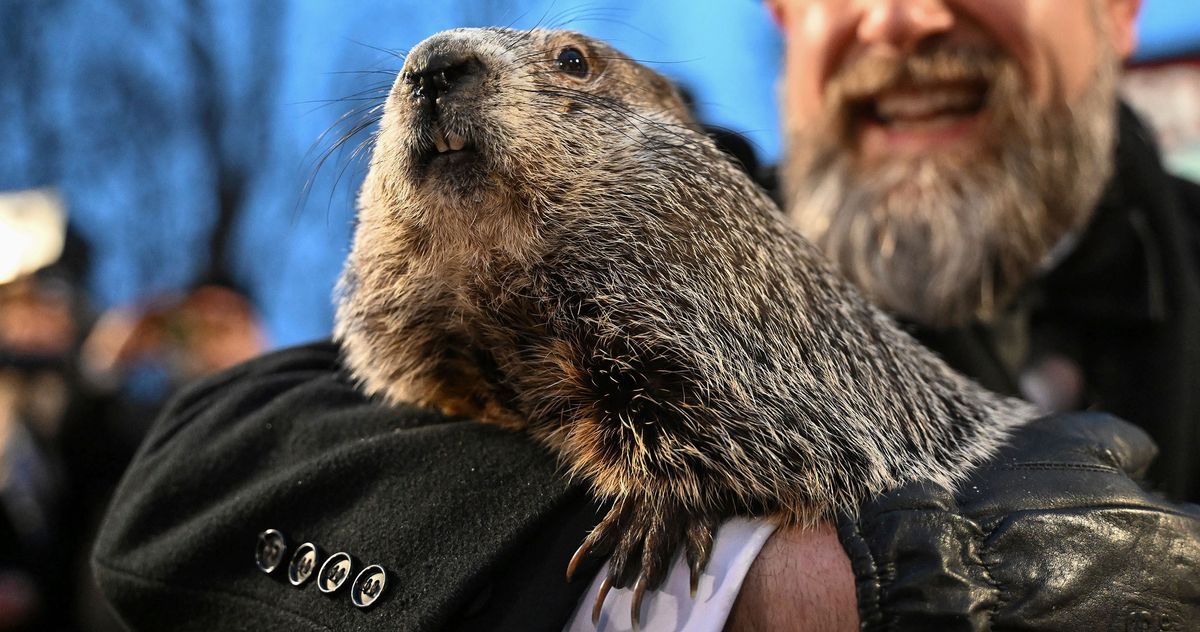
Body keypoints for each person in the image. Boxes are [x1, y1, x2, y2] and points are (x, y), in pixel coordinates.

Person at [92, 1, 1200, 631]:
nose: (901, 18)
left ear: (1117, 14)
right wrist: (777, 584)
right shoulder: (644, 214)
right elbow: (192, 490)